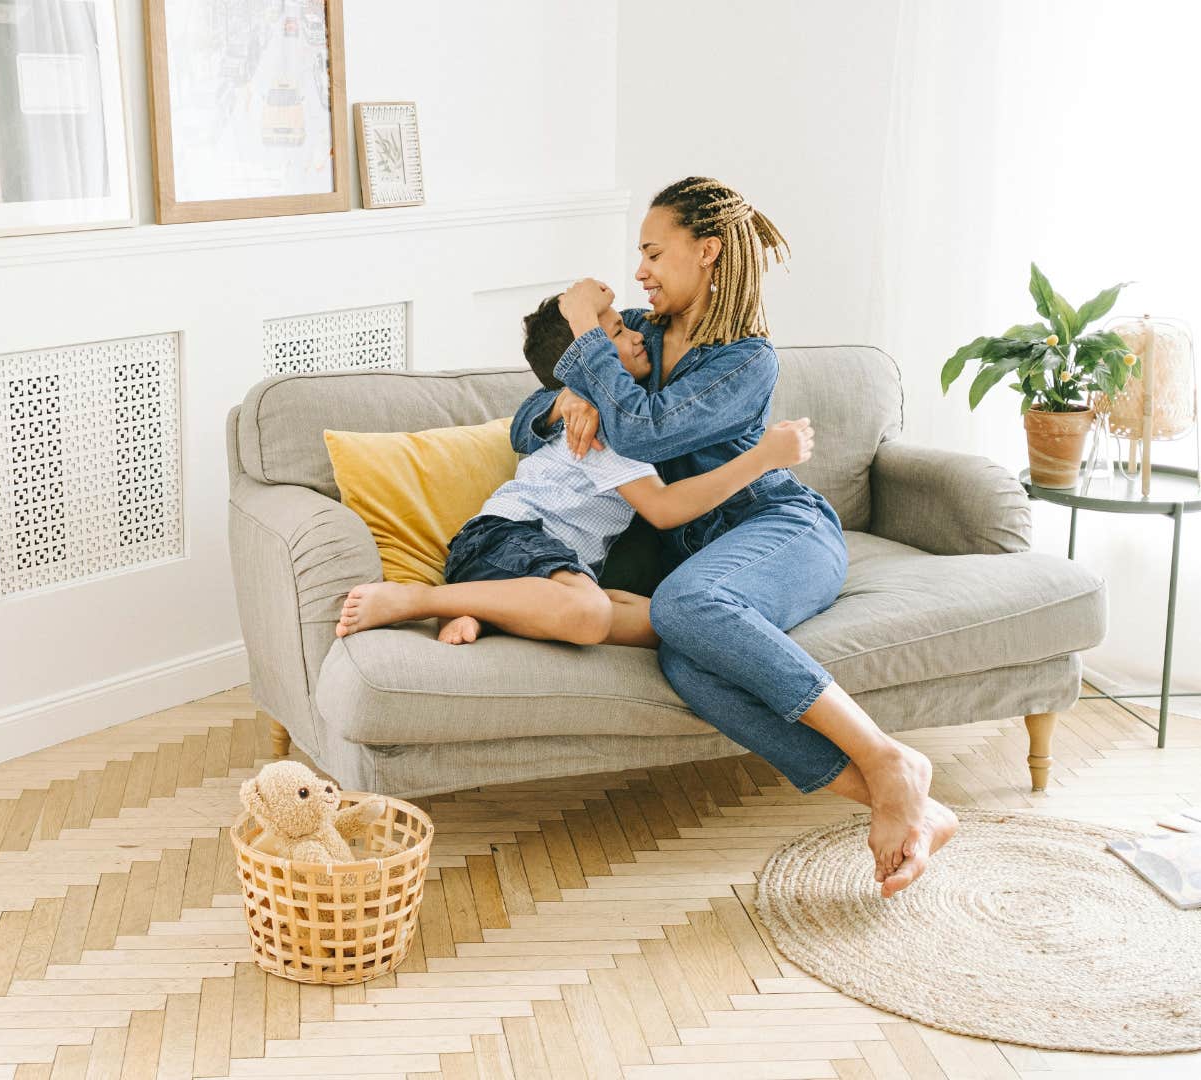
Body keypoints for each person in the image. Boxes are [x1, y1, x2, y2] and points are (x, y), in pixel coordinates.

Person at [514, 177, 957, 897]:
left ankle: (887, 759)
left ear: (708, 250)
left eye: (654, 252)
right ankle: (909, 806)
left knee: (682, 609)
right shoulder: (638, 332)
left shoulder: (746, 359)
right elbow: (527, 411)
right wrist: (562, 398)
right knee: (688, 667)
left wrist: (586, 343)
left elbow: (644, 427)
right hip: (705, 557)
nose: (640, 273)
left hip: (782, 529)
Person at [334, 295, 813, 650]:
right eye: (616, 336)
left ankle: (481, 610)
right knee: (588, 614)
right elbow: (664, 509)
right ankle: (418, 599)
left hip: (541, 564)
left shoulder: (610, 411)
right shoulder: (601, 422)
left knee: (669, 624)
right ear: (587, 365)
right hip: (508, 538)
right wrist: (764, 457)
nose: (635, 333)